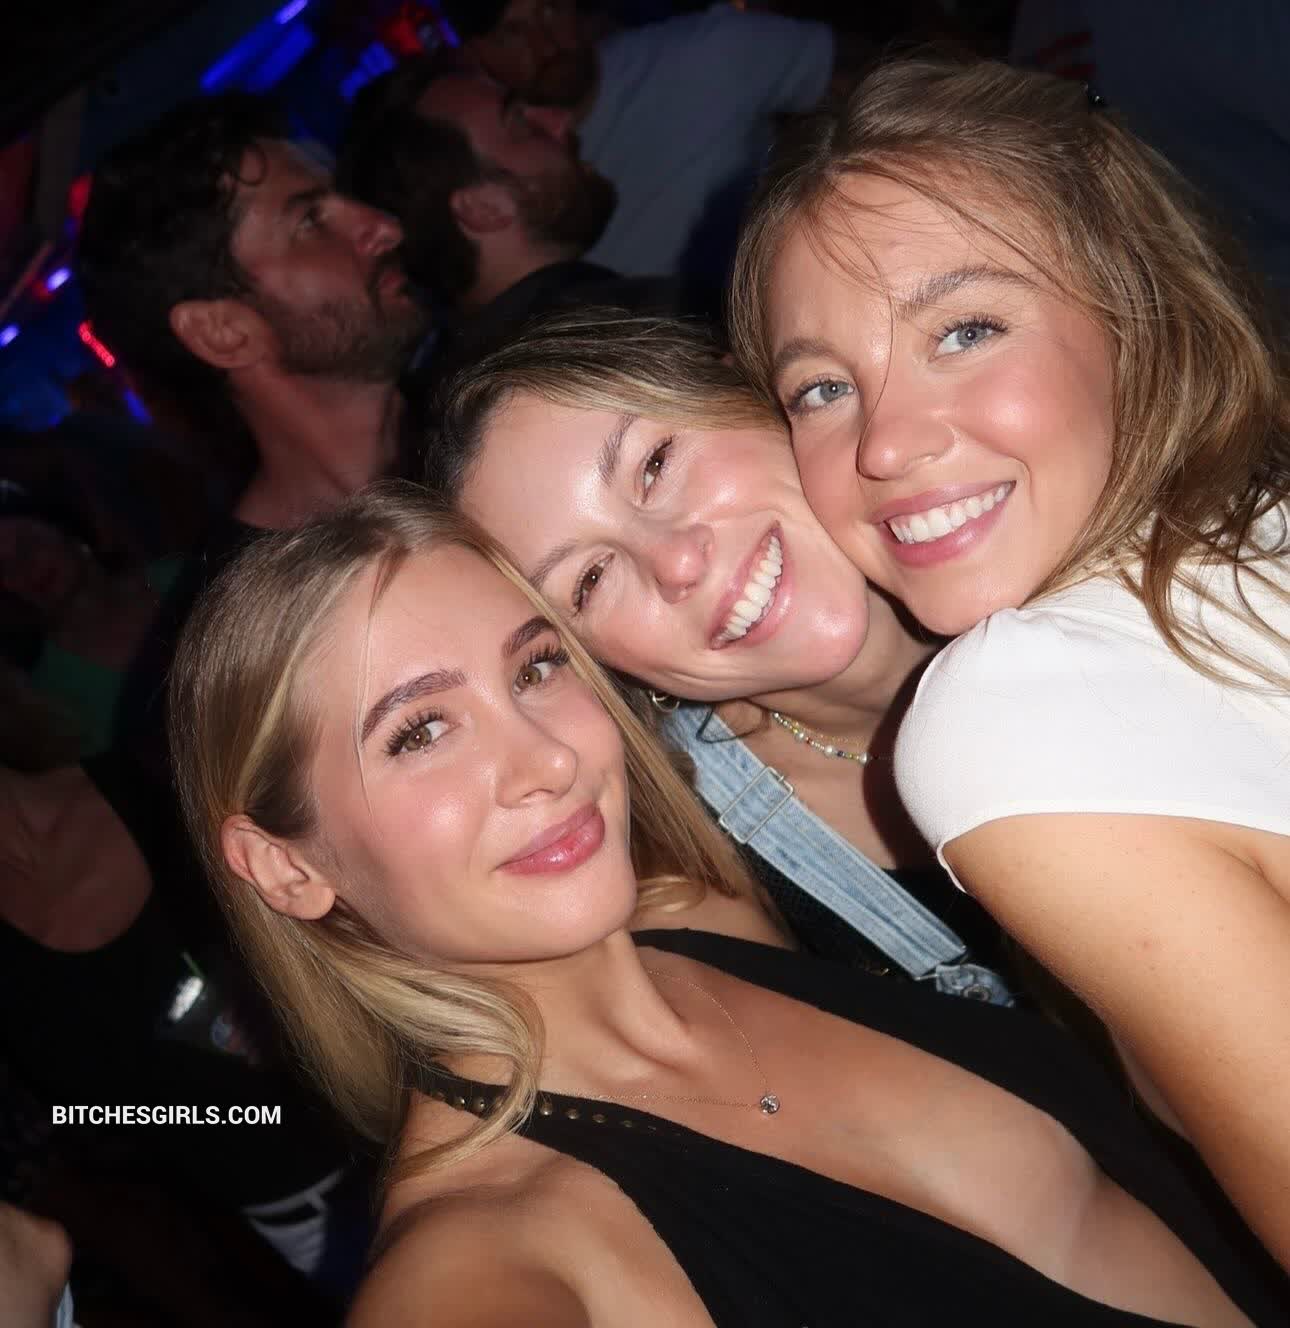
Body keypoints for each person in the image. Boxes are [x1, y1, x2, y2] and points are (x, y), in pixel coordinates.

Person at [167, 483, 1286, 1325]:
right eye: (420, 731)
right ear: (285, 868)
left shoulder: (702, 918)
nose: (547, 760)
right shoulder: (487, 1255)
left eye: (537, 667)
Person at [728, 57, 1290, 1268]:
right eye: (821, 387)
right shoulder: (1245, 532)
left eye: (965, 329)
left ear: (1140, 312)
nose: (886, 443)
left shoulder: (1002, 715)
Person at [427, 308, 1020, 1005]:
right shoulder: (694, 889)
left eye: (655, 466)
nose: (676, 562)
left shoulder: (1049, 518)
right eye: (590, 581)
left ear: (748, 390)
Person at [78, 92, 428, 540]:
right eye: (310, 221)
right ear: (222, 332)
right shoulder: (280, 584)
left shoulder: (486, 427)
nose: (386, 228)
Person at [437, 0, 843, 285]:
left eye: (551, 8)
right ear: (475, 54)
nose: (547, 45)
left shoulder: (704, 52)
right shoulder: (488, 177)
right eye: (511, 33)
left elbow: (860, 76)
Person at [339, 65, 677, 374]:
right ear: (482, 208)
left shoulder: (471, 384)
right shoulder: (637, 337)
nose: (560, 119)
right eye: (519, 123)